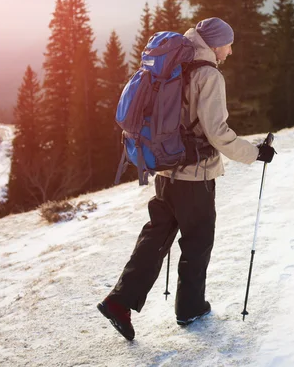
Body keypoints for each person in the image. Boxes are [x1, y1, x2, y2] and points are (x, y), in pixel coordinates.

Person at [97, 17, 276, 340]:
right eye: (228, 44)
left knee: (155, 238)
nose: (231, 51)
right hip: (194, 176)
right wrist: (255, 153)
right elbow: (217, 133)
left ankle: (119, 301)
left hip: (165, 171)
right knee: (197, 240)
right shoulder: (208, 75)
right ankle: (190, 308)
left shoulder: (173, 67)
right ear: (216, 44)